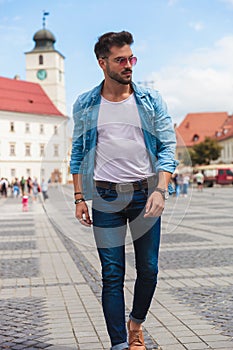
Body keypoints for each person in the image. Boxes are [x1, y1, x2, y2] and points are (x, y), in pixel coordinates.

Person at [70, 31, 178, 350]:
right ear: (102, 63)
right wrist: (79, 198)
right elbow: (77, 151)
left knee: (149, 269)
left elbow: (168, 146)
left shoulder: (149, 100)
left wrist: (161, 188)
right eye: (121, 60)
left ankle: (136, 324)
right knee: (112, 273)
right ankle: (120, 343)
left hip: (146, 194)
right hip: (105, 198)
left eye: (132, 58)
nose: (129, 65)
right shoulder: (86, 104)